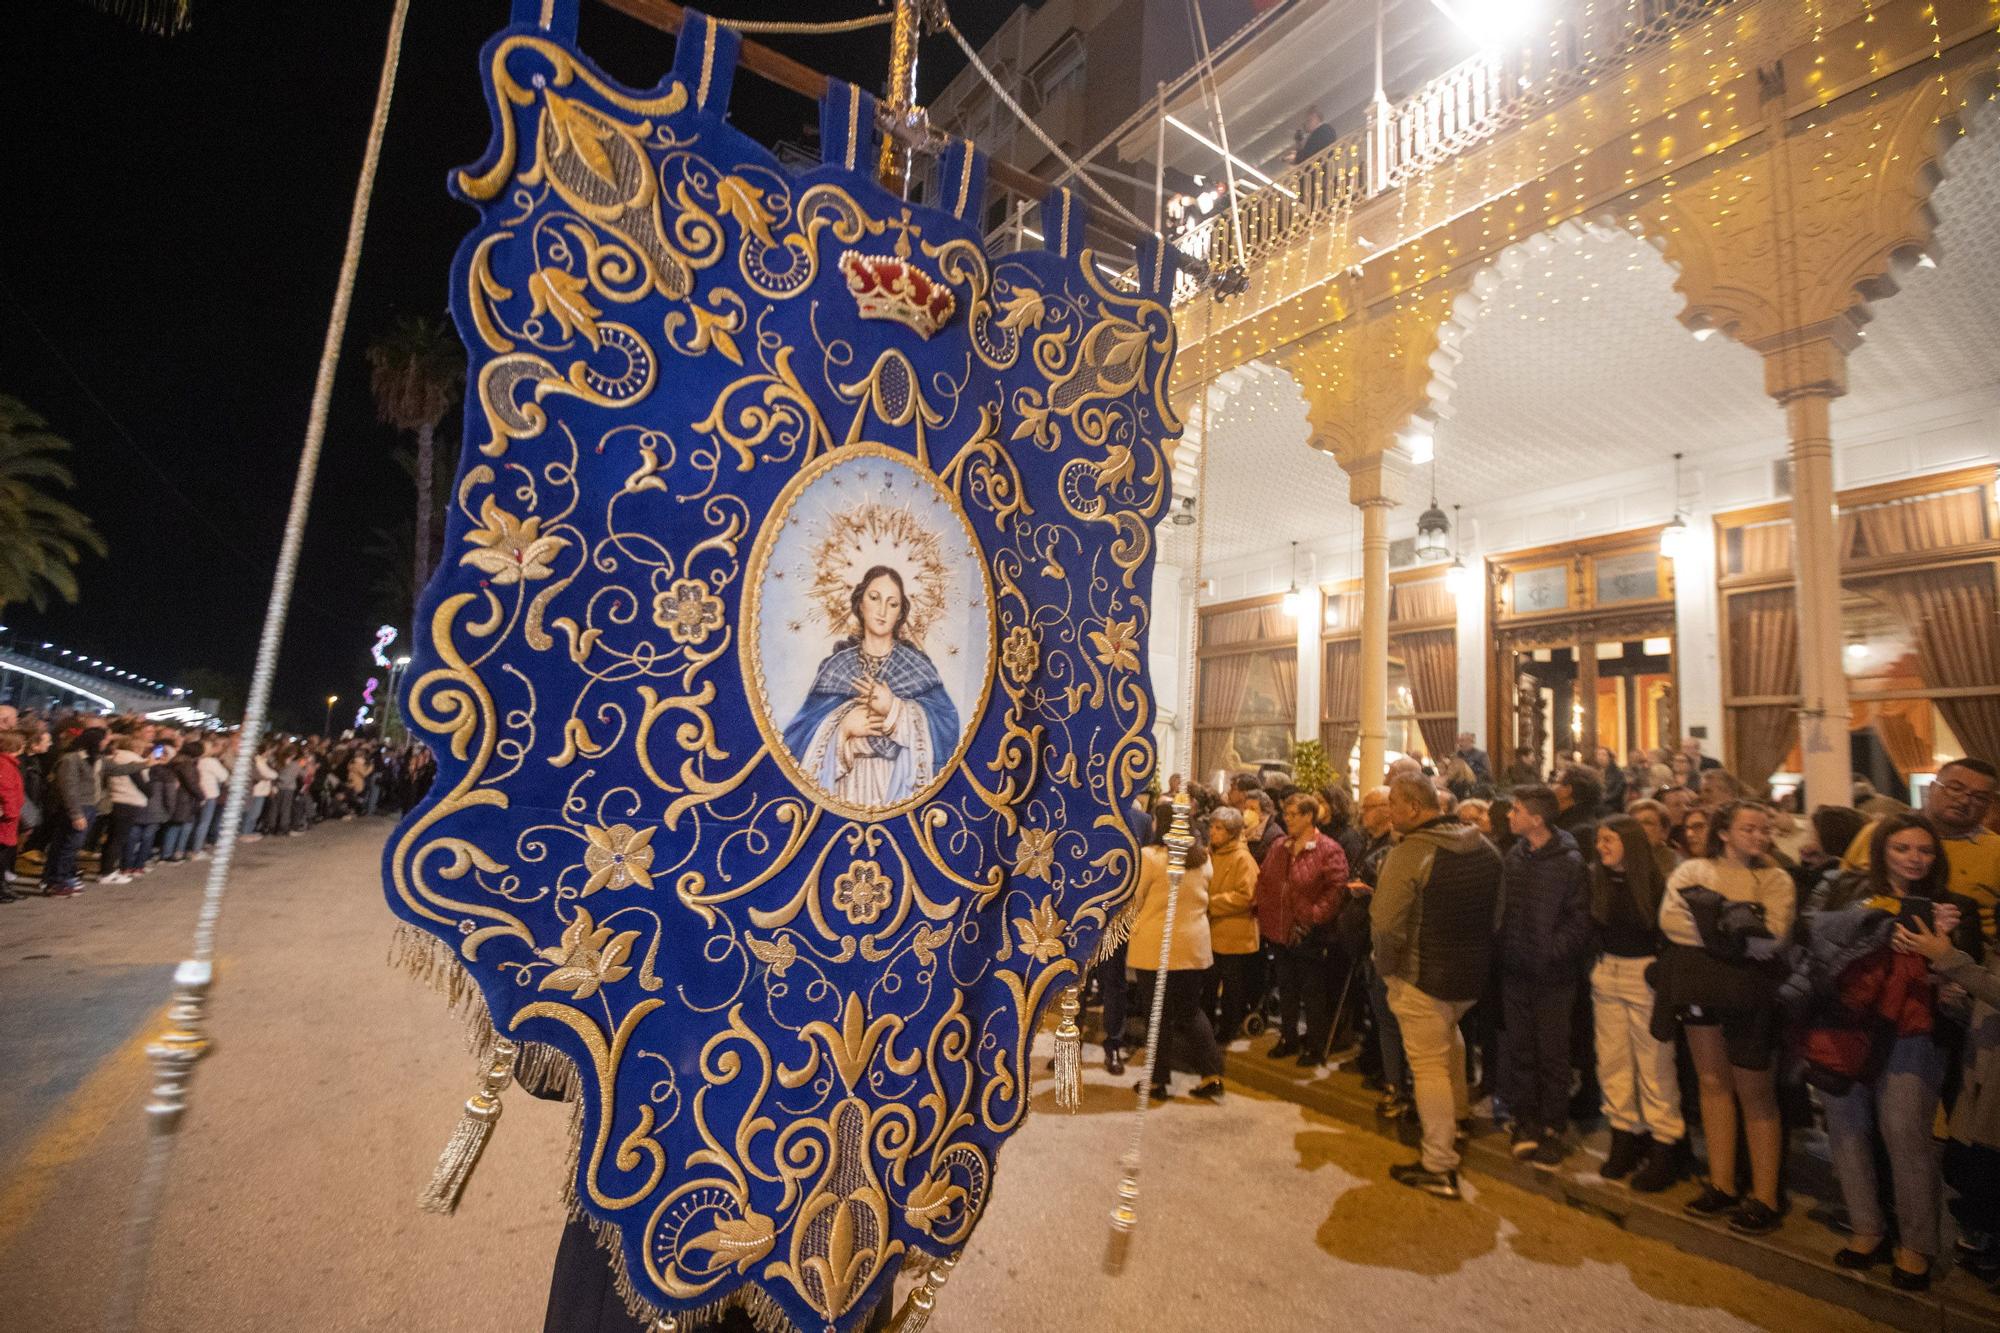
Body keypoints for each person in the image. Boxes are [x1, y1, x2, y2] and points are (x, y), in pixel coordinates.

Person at [1804, 813, 1979, 1289]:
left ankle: (1916, 1245)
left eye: (1924, 850)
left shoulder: (1953, 906)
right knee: (1847, 1129)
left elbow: (1966, 989)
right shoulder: (1848, 893)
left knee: (1907, 1136)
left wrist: (1941, 950)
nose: (1914, 858)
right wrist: (1873, 931)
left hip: (1915, 1035)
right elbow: (1815, 944)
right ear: (1882, 850)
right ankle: (1867, 1229)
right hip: (1850, 1028)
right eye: (1903, 848)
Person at [1657, 800, 1794, 1235]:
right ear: (1724, 832)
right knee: (1712, 1083)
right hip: (1702, 988)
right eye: (1749, 828)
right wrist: (1734, 930)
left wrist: (1710, 928)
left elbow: (1773, 937)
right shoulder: (1693, 871)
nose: (1758, 836)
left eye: (1764, 829)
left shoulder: (1775, 878)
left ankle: (1766, 1194)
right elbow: (1671, 921)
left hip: (1750, 994)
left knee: (1755, 1090)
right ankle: (1722, 1182)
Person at [1374, 774, 1505, 1199]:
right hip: (1470, 976)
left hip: (1422, 974)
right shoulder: (1485, 848)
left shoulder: (1412, 853)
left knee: (1427, 1066)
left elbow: (1386, 924)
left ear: (1414, 807)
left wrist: (1388, 971)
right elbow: (1497, 914)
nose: (1388, 811)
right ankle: (1460, 1115)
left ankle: (1438, 1162)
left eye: (1392, 802)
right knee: (1452, 1039)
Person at [781, 565, 961, 809]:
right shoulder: (837, 666)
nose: (882, 611)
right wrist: (842, 729)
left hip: (898, 784)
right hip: (845, 785)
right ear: (860, 603)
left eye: (893, 603)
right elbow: (797, 741)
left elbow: (947, 729)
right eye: (874, 598)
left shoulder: (917, 666)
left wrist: (895, 709)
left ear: (900, 613)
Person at [1892, 908, 2000, 1285]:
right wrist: (1960, 1005)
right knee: (1976, 1165)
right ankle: (1986, 1240)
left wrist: (1949, 958)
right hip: (1982, 1070)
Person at [1499, 785, 1593, 1167]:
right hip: (1516, 971)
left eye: (1516, 810)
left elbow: (1579, 919)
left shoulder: (1568, 862)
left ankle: (1554, 1127)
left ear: (1536, 819)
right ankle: (1527, 1121)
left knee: (1553, 1054)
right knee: (1521, 1049)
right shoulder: (1516, 855)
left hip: (1553, 977)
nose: (1509, 815)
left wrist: (1552, 953)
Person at [1589, 815, 1684, 1190]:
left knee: (1655, 1064)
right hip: (1607, 972)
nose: (1601, 847)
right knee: (1613, 1061)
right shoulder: (1597, 878)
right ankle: (1624, 1135)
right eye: (1599, 840)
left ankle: (1664, 1142)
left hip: (1643, 976)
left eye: (1609, 840)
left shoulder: (1653, 885)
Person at [1843, 759, 2000, 945]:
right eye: (1955, 788)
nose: (1965, 800)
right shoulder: (1878, 833)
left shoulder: (1995, 849)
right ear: (1932, 787)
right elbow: (1843, 891)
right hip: (1866, 948)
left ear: (1990, 805)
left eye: (1979, 797)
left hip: (1961, 955)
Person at [1128, 807, 1224, 1103]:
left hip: (1157, 946)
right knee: (1191, 1012)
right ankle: (1212, 1074)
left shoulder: (1151, 858)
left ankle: (1157, 1081)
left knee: (1157, 1015)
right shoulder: (1202, 860)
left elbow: (1135, 900)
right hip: (1192, 947)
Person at [1255, 793, 1349, 1068]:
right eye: (1286, 814)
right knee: (1286, 987)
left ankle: (1316, 1045)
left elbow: (1335, 890)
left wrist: (1315, 916)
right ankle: (1288, 1037)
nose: (1288, 819)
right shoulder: (1279, 847)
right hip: (1280, 930)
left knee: (1312, 991)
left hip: (1309, 932)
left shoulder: (1328, 849)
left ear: (1309, 816)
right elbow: (1265, 881)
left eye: (1294, 814)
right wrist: (1265, 910)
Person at [1204, 806, 1262, 1045]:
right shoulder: (1211, 854)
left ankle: (1229, 1028)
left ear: (1231, 832)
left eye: (1219, 828)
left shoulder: (1242, 858)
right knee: (1209, 984)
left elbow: (1247, 896)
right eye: (1212, 826)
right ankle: (1207, 1026)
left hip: (1233, 933)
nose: (1213, 832)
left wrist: (1211, 903)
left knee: (1231, 987)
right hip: (1213, 932)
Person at [44, 727, 106, 897]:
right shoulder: (71, 760)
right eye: (103, 739)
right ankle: (56, 881)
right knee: (67, 845)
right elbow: (68, 789)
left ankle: (62, 878)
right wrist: (76, 814)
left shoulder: (96, 759)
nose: (106, 743)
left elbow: (115, 769)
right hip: (78, 807)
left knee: (70, 845)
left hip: (90, 806)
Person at [0, 731, 25, 902]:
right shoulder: (5, 765)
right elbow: (6, 790)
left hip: (9, 817)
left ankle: (3, 886)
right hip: (6, 819)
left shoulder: (8, 764)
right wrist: (12, 812)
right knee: (2, 855)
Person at [1552, 765, 1604, 840]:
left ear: (1567, 790)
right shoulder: (1584, 820)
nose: (1550, 787)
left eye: (1555, 782)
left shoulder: (1579, 832)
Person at [1594, 746, 1627, 813]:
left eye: (1603, 755)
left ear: (1610, 757)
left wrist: (1602, 799)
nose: (1600, 757)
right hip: (1601, 803)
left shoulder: (1618, 773)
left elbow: (1617, 792)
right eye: (1598, 754)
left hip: (1613, 806)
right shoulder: (1597, 771)